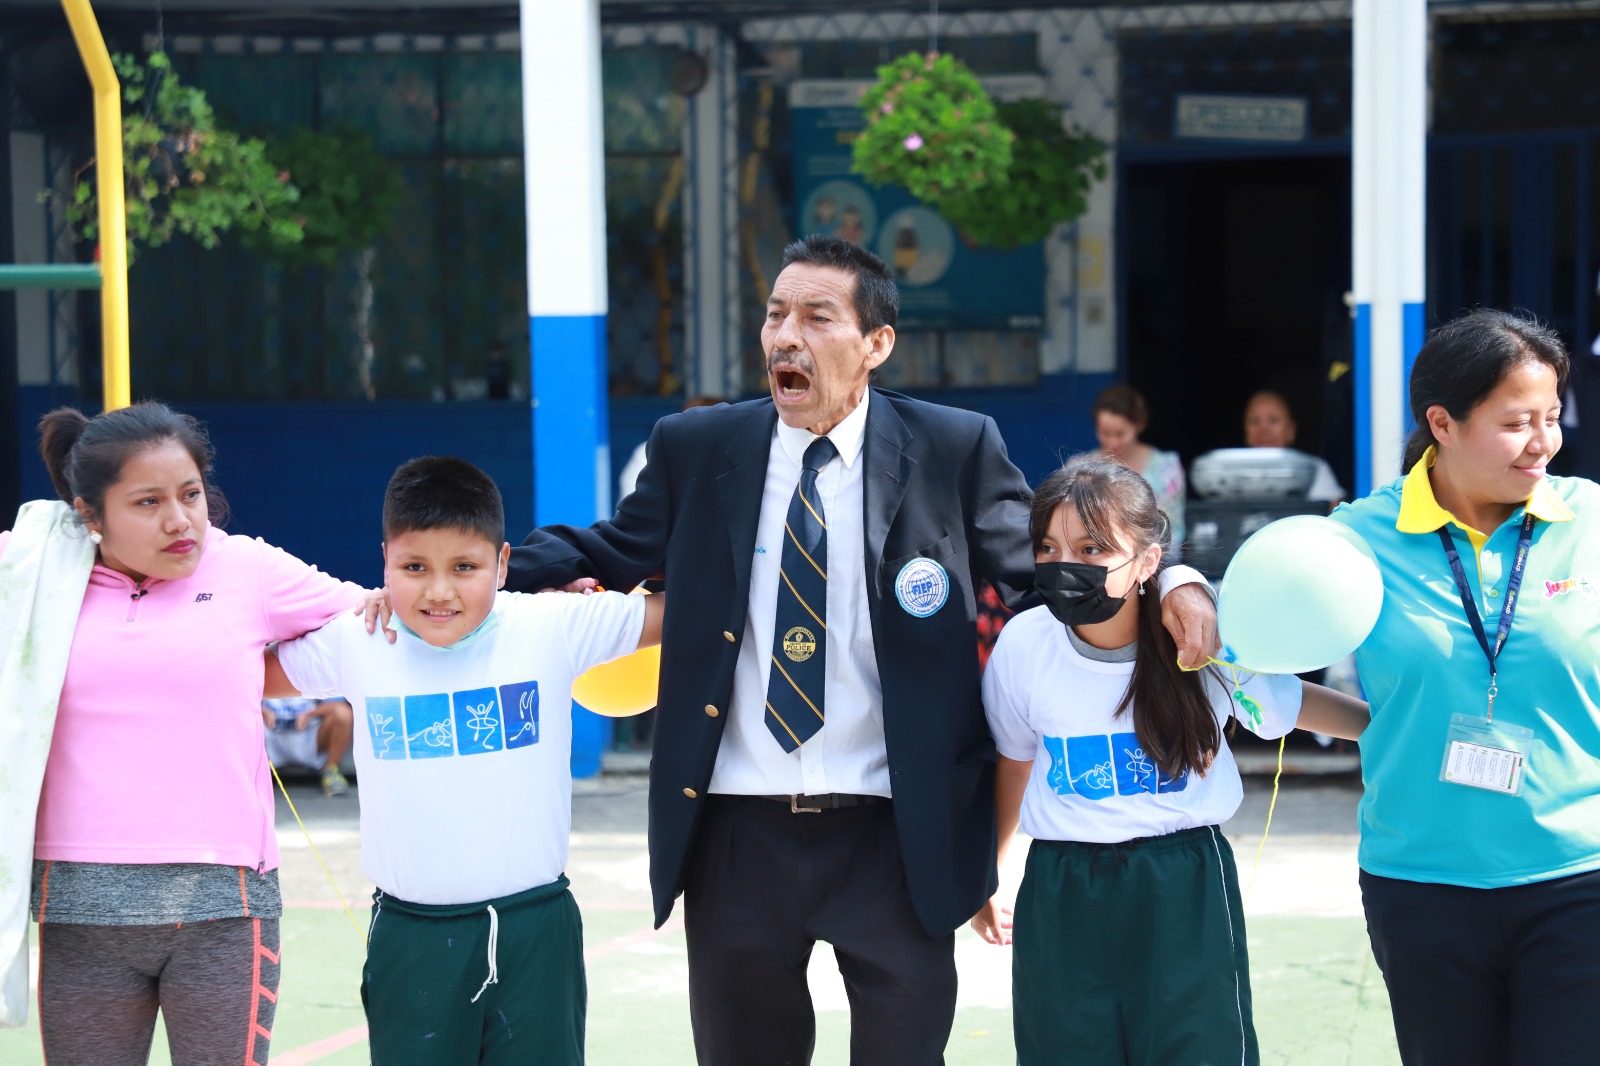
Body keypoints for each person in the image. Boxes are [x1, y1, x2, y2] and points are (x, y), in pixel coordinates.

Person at [503, 234, 1219, 1065]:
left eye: (816, 317)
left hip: (897, 834)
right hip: (736, 835)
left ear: (877, 343)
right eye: (775, 315)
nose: (785, 336)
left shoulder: (952, 447)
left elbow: (1051, 572)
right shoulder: (697, 448)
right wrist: (469, 578)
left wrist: (1174, 579)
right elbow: (608, 549)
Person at [0, 402, 373, 1060]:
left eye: (191, 494)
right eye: (148, 502)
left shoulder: (248, 570)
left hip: (224, 909)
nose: (179, 520)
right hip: (79, 910)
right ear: (90, 514)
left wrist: (544, 599)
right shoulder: (34, 574)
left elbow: (380, 619)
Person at [971, 457, 1368, 1065]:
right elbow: (1015, 762)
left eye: (1091, 548)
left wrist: (1391, 730)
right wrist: (992, 873)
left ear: (1146, 561)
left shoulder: (1200, 641)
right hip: (1063, 885)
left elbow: (1294, 704)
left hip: (1182, 882)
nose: (1064, 565)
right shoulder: (1025, 644)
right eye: (1048, 548)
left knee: (1198, 1048)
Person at [272, 456, 664, 1066]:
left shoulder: (552, 624)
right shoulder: (359, 637)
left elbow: (688, 611)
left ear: (503, 564)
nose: (439, 591)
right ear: (385, 562)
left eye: (464, 567)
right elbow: (238, 666)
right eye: (414, 568)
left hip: (536, 930)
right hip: (411, 935)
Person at [1328, 309, 1600, 1063]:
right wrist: (1183, 586)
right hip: (1419, 886)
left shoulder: (1591, 522)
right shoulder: (1353, 538)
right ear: (1442, 423)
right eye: (1516, 423)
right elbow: (1244, 655)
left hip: (1580, 878)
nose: (1543, 442)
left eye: (1551, 417)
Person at [1093, 384, 1187, 552]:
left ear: (1139, 425)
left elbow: (1173, 531)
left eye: (1120, 434)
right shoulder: (1082, 467)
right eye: (1105, 433)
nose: (1112, 442)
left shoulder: (1165, 469)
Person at [1242, 388, 1345, 503]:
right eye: (1255, 421)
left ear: (1291, 430)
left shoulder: (1313, 469)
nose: (1263, 429)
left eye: (1273, 420)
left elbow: (1332, 511)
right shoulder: (1230, 471)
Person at [261, 696, 355, 797]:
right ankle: (257, 774)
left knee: (343, 713)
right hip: (271, 740)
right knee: (250, 718)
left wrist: (309, 713)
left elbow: (339, 704)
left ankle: (331, 770)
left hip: (310, 738)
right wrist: (262, 711)